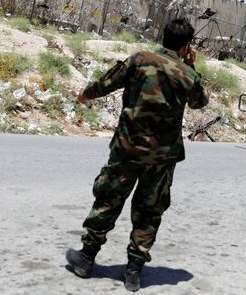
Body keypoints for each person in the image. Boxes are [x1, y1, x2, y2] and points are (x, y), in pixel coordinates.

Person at [66, 18, 209, 291]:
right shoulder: (188, 74)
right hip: (163, 158)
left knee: (108, 199)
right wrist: (190, 65)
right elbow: (199, 102)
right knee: (149, 211)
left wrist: (84, 95)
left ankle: (86, 259)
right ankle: (133, 272)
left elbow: (107, 82)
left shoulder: (139, 59)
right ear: (186, 46)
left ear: (162, 35)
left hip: (127, 149)